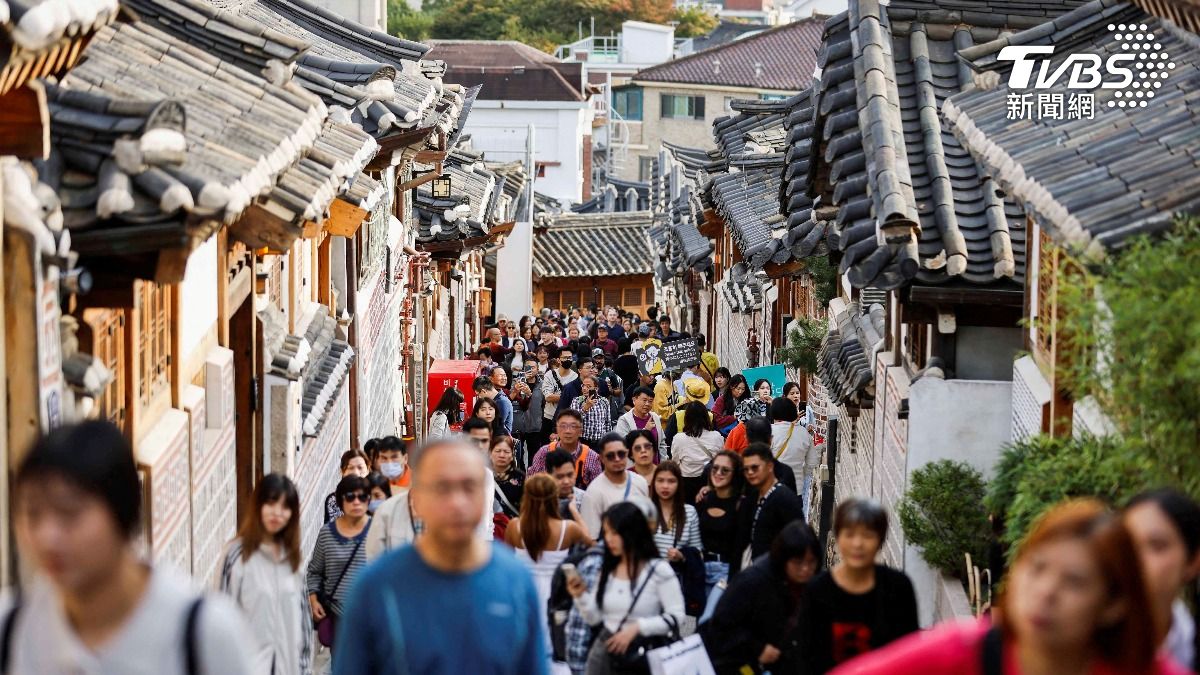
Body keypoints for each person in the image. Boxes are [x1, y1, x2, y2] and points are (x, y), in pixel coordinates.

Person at [2, 421, 253, 674]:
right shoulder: (11, 632)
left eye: (69, 513)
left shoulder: (203, 636)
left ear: (123, 512)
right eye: (32, 514)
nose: (47, 537)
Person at [831, 499, 1189, 675]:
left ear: (1114, 604)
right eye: (1037, 568)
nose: (1047, 591)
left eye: (1074, 582)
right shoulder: (960, 654)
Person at [333, 439, 547, 675]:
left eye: (469, 487)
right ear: (417, 497)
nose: (457, 503)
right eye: (442, 487)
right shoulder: (375, 588)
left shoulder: (515, 582)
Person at [567, 503, 686, 673]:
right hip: (605, 653)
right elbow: (595, 618)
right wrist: (580, 597)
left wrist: (637, 628)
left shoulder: (658, 570)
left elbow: (676, 616)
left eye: (615, 533)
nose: (609, 539)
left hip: (643, 653)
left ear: (632, 532)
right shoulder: (608, 568)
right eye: (606, 532)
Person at [803, 498, 917, 673]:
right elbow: (807, 658)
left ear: (880, 539)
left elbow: (909, 654)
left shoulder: (898, 587)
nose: (857, 544)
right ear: (837, 537)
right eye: (849, 534)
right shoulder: (817, 591)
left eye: (867, 535)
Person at [218, 473, 312, 675]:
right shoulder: (236, 556)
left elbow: (303, 624)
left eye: (285, 507)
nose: (277, 513)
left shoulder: (293, 561)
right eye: (271, 504)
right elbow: (221, 618)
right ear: (258, 506)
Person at [705, 521, 821, 675]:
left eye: (811, 562)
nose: (806, 569)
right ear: (784, 559)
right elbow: (721, 628)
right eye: (798, 563)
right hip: (737, 666)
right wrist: (757, 649)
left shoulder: (810, 585)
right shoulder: (753, 581)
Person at [506, 474, 593, 671]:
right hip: (557, 594)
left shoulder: (515, 527)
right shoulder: (567, 529)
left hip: (524, 593)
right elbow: (590, 541)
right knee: (556, 647)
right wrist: (573, 511)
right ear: (554, 497)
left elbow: (509, 561)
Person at [1124, 489, 1200, 670]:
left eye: (1157, 546)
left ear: (1193, 561)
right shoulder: (1082, 637)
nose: (1136, 559)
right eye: (1127, 544)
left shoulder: (1189, 650)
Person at [307, 475, 372, 649]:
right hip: (338, 616)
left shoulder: (378, 530)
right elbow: (314, 571)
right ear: (340, 501)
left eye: (362, 497)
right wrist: (314, 601)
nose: (356, 502)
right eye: (350, 497)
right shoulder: (327, 534)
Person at [734, 444, 804, 575]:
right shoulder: (752, 497)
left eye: (755, 468)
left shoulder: (784, 498)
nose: (749, 473)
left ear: (770, 466)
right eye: (746, 469)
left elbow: (798, 542)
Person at [581, 433, 650, 538]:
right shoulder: (593, 493)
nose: (617, 459)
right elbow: (591, 537)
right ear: (602, 459)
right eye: (610, 456)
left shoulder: (640, 482)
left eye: (621, 454)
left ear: (627, 454)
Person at [699, 451, 743, 596]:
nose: (718, 473)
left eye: (725, 470)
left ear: (735, 473)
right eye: (715, 468)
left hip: (727, 571)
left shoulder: (741, 504)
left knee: (710, 617)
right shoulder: (704, 499)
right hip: (702, 569)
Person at [528, 409, 603, 488]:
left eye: (573, 426)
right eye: (563, 426)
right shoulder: (544, 452)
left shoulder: (592, 457)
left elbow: (597, 492)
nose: (568, 431)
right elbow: (531, 484)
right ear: (557, 429)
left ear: (581, 431)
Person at [769, 397, 818, 514]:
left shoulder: (769, 431)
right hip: (796, 489)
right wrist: (801, 474)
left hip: (771, 488)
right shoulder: (804, 433)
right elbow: (812, 463)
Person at [671, 401, 725, 504]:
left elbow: (675, 463)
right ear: (706, 417)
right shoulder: (716, 436)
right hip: (709, 482)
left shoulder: (679, 438)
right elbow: (719, 460)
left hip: (686, 483)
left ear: (686, 418)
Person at [651, 461, 703, 562]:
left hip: (678, 575)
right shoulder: (645, 511)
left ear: (679, 483)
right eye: (660, 480)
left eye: (671, 481)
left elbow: (698, 553)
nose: (665, 486)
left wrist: (682, 556)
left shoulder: (689, 512)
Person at [614, 386, 667, 460]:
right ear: (634, 400)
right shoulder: (624, 420)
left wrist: (663, 462)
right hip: (635, 466)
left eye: (650, 401)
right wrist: (645, 430)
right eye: (644, 400)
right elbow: (622, 443)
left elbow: (661, 443)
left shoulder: (654, 417)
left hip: (655, 466)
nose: (647, 404)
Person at [325, 448, 370, 522]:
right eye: (351, 468)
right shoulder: (333, 500)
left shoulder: (375, 495)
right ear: (342, 471)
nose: (355, 472)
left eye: (360, 467)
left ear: (368, 469)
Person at [571, 374, 613, 449]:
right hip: (583, 442)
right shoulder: (577, 401)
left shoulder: (604, 401)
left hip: (600, 442)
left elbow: (607, 423)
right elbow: (573, 421)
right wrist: (585, 408)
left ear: (596, 389)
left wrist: (608, 441)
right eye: (583, 385)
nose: (584, 388)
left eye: (588, 386)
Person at [542, 346, 578, 429]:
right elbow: (548, 397)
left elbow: (576, 400)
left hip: (568, 418)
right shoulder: (549, 375)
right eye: (565, 358)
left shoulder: (575, 377)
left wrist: (557, 396)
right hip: (549, 416)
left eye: (570, 357)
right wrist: (567, 397)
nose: (568, 360)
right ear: (558, 360)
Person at [491, 435, 526, 519]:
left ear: (512, 454)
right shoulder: (484, 476)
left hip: (513, 524)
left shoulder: (520, 477)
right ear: (490, 453)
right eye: (498, 451)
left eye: (506, 451)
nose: (502, 455)